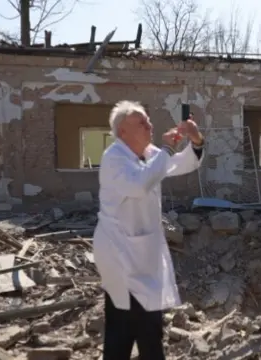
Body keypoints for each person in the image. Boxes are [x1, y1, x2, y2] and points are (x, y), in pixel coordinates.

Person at [93, 100, 205, 360]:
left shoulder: (149, 153)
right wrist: (166, 148)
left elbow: (181, 164)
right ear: (123, 131)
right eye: (142, 122)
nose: (150, 125)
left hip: (141, 255)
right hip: (120, 255)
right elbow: (138, 185)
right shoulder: (114, 159)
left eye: (148, 120)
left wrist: (195, 139)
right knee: (128, 328)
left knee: (143, 327)